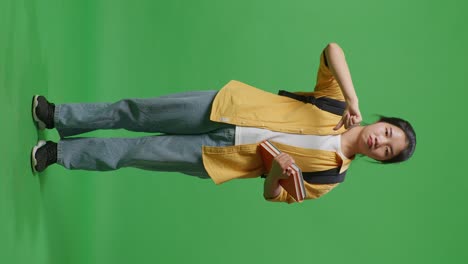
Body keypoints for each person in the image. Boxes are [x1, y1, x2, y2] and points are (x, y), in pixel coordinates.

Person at [30, 43, 416, 204]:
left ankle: (58, 152)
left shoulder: (329, 179)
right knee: (134, 111)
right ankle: (59, 115)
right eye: (387, 133)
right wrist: (352, 98)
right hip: (225, 106)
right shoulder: (336, 106)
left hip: (217, 158)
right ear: (382, 122)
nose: (380, 141)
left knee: (135, 152)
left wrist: (275, 174)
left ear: (380, 160)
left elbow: (275, 196)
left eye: (386, 150)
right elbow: (332, 50)